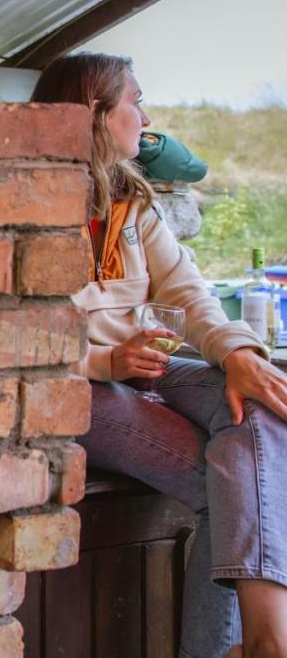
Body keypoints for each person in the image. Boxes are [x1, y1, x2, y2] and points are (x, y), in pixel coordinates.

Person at [32, 53, 287, 658]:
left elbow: (189, 294)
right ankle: (264, 643)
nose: (145, 116)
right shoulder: (27, 203)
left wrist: (240, 354)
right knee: (234, 486)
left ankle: (263, 640)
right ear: (96, 111)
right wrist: (104, 364)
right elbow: (9, 337)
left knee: (261, 403)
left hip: (152, 365)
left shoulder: (130, 203)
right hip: (79, 387)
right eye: (135, 102)